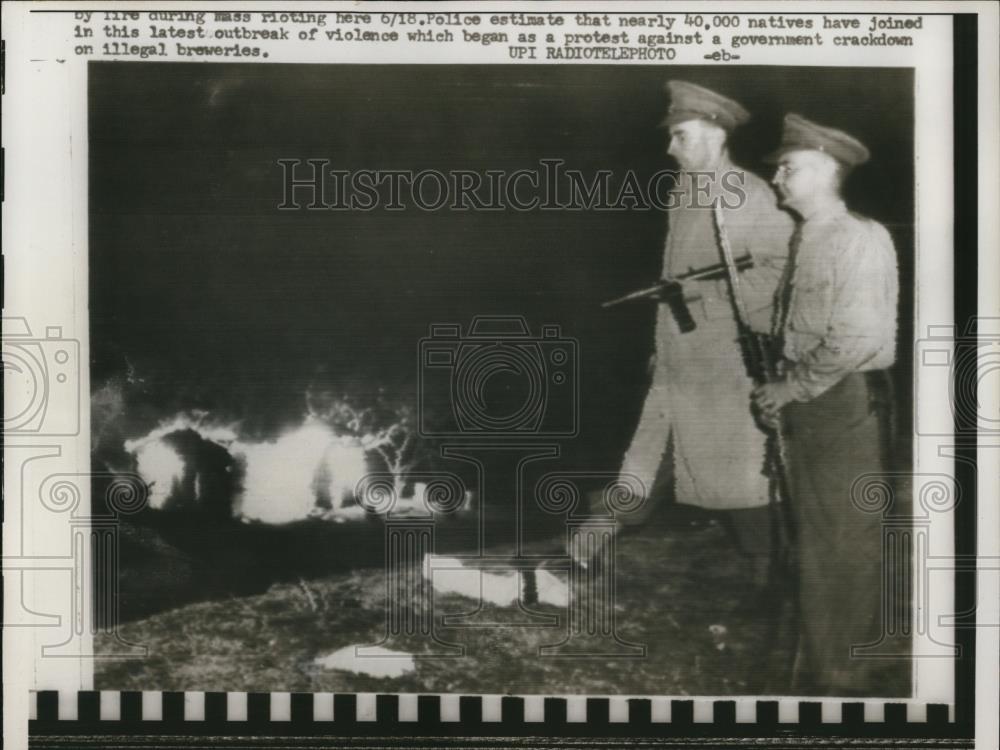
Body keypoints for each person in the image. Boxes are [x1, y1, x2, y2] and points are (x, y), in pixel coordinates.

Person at [597, 81, 795, 589]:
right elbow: (679, 279)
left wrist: (704, 297)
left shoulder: (750, 195)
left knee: (740, 479)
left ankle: (767, 584)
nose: (670, 147)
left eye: (680, 136)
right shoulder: (685, 192)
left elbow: (781, 276)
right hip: (678, 359)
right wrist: (663, 343)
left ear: (714, 133)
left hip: (724, 365)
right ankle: (585, 543)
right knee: (646, 458)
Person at [752, 113, 899, 695]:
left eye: (790, 167)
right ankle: (826, 659)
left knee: (842, 537)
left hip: (842, 401)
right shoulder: (807, 237)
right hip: (813, 397)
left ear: (827, 170)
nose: (778, 179)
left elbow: (856, 338)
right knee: (815, 535)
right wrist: (779, 388)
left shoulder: (855, 238)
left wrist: (790, 387)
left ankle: (838, 672)